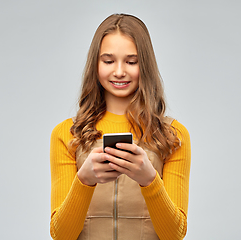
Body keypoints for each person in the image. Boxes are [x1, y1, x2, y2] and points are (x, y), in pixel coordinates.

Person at [50, 13, 191, 240]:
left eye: (131, 61)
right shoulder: (67, 134)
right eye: (108, 61)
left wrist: (149, 179)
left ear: (144, 65)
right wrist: (84, 180)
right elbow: (61, 235)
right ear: (95, 64)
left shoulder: (173, 135)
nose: (119, 71)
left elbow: (174, 235)